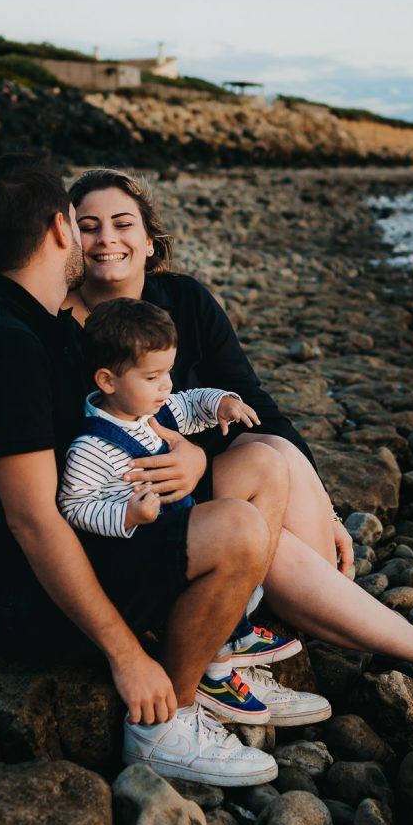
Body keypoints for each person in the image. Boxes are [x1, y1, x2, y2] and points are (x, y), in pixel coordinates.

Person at [0, 162, 413, 729]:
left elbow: (252, 402)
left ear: (147, 234)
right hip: (119, 503)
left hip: (183, 484)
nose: (105, 238)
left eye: (122, 223)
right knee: (252, 511)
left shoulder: (180, 302)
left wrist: (316, 501)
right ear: (61, 233)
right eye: (88, 224)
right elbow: (10, 448)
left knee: (268, 454)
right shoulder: (54, 331)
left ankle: (279, 614)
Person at [58, 295, 330, 727]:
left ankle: (231, 628)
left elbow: (190, 402)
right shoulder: (93, 447)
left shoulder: (151, 405)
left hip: (180, 533)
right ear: (108, 380)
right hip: (144, 555)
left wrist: (222, 402)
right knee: (233, 532)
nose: (166, 385)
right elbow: (75, 506)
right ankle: (216, 665)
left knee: (264, 464)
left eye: (168, 372)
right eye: (154, 377)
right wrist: (127, 516)